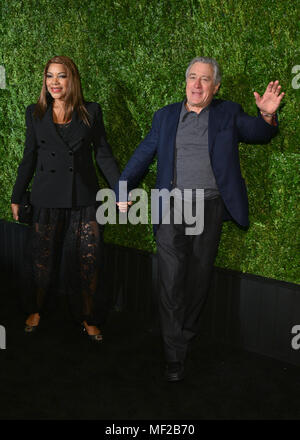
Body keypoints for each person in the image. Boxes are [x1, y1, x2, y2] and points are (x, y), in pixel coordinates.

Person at [116, 57, 284, 380]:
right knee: (170, 279)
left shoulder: (227, 113)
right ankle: (173, 355)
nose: (197, 85)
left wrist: (266, 114)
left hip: (208, 209)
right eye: (192, 77)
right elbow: (143, 152)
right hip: (171, 208)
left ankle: (185, 335)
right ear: (185, 82)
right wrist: (123, 186)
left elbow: (259, 133)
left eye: (205, 80)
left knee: (198, 279)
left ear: (215, 86)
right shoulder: (165, 117)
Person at [11, 55, 120, 342]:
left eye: (61, 76)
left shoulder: (91, 112)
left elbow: (104, 154)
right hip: (46, 196)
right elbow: (29, 157)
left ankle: (89, 317)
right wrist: (16, 195)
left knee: (89, 260)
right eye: (49, 76)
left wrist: (121, 189)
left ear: (72, 79)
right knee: (40, 260)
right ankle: (34, 310)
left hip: (84, 197)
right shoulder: (34, 112)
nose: (54, 82)